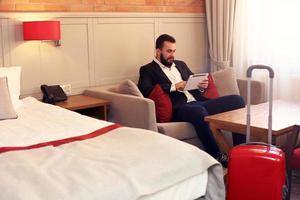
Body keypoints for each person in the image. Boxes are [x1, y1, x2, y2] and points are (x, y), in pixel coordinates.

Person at [138, 34, 245, 167]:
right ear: (158, 51)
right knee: (199, 111)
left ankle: (241, 151)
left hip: (198, 102)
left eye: (174, 51)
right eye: (169, 51)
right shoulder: (147, 70)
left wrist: (201, 87)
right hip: (179, 108)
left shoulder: (181, 65)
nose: (172, 55)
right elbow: (145, 90)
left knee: (237, 101)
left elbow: (193, 84)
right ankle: (217, 155)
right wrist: (175, 86)